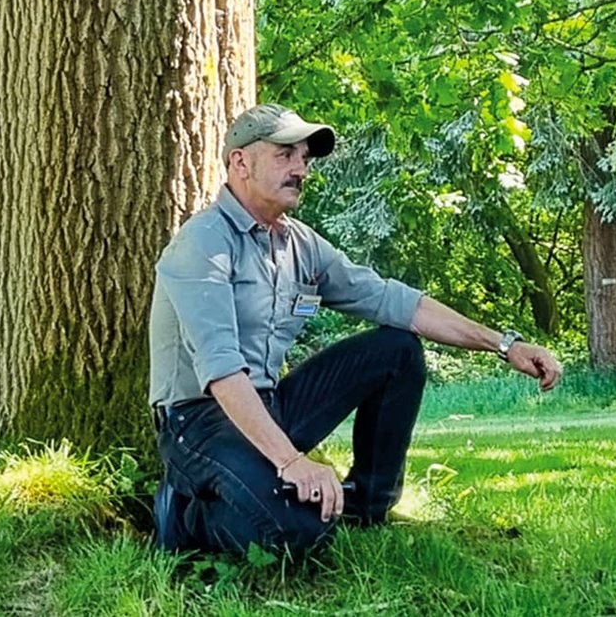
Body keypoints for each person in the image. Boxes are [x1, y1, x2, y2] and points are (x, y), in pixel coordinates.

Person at [149, 104, 561, 560]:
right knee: (300, 532)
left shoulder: (299, 244)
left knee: (397, 350)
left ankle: (367, 508)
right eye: (285, 154)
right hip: (200, 421)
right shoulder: (202, 244)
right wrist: (291, 461)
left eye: (304, 157)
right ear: (240, 163)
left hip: (269, 405)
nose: (301, 168)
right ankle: (187, 515)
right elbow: (222, 371)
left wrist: (504, 344)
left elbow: (395, 301)